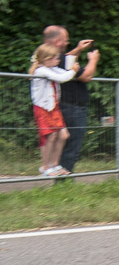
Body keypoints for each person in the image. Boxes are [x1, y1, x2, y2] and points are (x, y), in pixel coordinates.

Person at [42, 26, 98, 175]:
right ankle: (64, 182)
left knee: (65, 142)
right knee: (71, 146)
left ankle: (61, 178)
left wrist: (78, 49)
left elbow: (65, 59)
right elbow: (86, 76)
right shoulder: (56, 59)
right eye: (65, 41)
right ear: (57, 41)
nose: (67, 44)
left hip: (64, 106)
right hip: (73, 107)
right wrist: (93, 60)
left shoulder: (47, 58)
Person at [29, 43, 77, 176]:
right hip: (43, 108)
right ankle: (45, 167)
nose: (58, 60)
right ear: (46, 59)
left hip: (53, 107)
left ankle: (54, 164)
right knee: (50, 136)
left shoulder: (51, 68)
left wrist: (72, 70)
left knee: (63, 135)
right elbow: (62, 78)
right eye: (56, 58)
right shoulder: (41, 70)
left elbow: (64, 73)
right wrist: (73, 71)